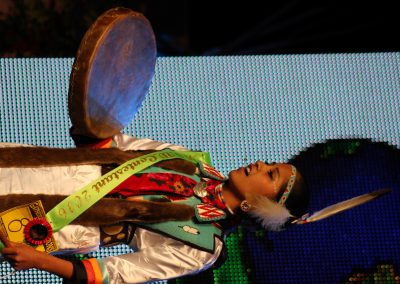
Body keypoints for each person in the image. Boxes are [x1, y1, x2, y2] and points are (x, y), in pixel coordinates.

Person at [0, 131, 309, 284]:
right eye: (269, 163)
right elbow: (109, 142)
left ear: (262, 206)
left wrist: (38, 260)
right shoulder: (191, 160)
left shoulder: (202, 246)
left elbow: (113, 274)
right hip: (46, 164)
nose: (259, 164)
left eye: (270, 174)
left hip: (61, 223)